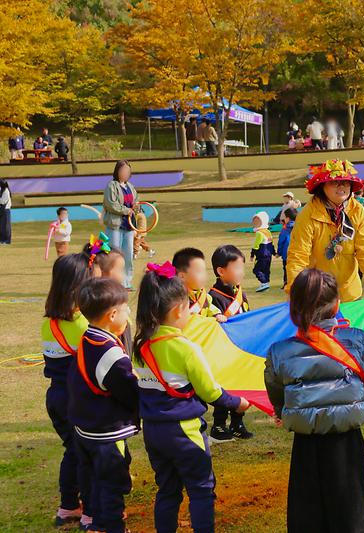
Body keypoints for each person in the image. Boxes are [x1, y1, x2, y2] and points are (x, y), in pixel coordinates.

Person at [133, 262, 249, 533]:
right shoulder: (187, 349)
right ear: (178, 310)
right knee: (200, 489)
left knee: (167, 489)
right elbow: (210, 392)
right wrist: (237, 403)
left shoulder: (139, 346)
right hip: (184, 433)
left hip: (153, 431)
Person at [265, 269, 364, 533]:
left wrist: (283, 411)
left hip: (306, 442)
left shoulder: (281, 351)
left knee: (307, 513)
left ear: (294, 307)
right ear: (337, 303)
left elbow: (275, 389)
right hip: (347, 439)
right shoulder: (358, 340)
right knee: (351, 512)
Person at [69, 278, 138, 533]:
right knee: (112, 484)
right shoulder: (110, 354)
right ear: (112, 315)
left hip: (85, 428)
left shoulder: (87, 337)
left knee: (93, 478)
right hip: (106, 433)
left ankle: (93, 520)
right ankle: (112, 526)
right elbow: (130, 393)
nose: (129, 313)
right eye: (126, 309)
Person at [286, 159, 364, 303]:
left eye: (346, 182)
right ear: (322, 187)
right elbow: (298, 256)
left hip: (351, 294)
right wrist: (294, 289)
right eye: (335, 182)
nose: (341, 187)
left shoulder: (358, 211)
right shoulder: (308, 214)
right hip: (318, 295)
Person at [42, 253, 93, 529]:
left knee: (71, 450)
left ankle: (68, 507)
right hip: (78, 399)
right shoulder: (81, 325)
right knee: (84, 454)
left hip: (56, 397)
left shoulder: (48, 321)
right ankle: (89, 513)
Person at [208, 245, 254, 441]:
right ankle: (219, 424)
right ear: (221, 271)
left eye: (242, 268)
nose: (241, 273)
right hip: (222, 352)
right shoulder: (212, 296)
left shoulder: (240, 294)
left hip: (240, 349)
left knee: (240, 386)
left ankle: (237, 422)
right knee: (223, 388)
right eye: (236, 268)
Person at [103, 160, 137, 289]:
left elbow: (136, 202)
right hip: (115, 226)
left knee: (128, 256)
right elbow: (111, 204)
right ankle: (113, 282)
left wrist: (135, 208)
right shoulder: (111, 186)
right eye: (123, 170)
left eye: (128, 171)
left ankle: (126, 282)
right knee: (114, 255)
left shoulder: (131, 187)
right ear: (117, 171)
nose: (125, 173)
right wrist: (126, 210)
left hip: (128, 226)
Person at [172, 248, 226, 322]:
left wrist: (217, 314)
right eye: (199, 271)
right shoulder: (175, 298)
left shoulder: (204, 296)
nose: (204, 275)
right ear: (182, 276)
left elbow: (211, 308)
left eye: (204, 271)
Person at [251, 211, 274, 292]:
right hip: (269, 255)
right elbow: (271, 244)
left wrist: (252, 255)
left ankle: (264, 283)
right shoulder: (268, 232)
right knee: (266, 269)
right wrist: (274, 253)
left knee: (256, 270)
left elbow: (256, 245)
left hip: (262, 254)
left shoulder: (259, 233)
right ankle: (266, 283)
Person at [277, 208, 296, 288]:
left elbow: (281, 242)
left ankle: (287, 283)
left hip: (287, 253)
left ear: (287, 218)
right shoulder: (300, 226)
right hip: (298, 253)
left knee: (286, 269)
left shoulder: (285, 229)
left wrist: (279, 252)